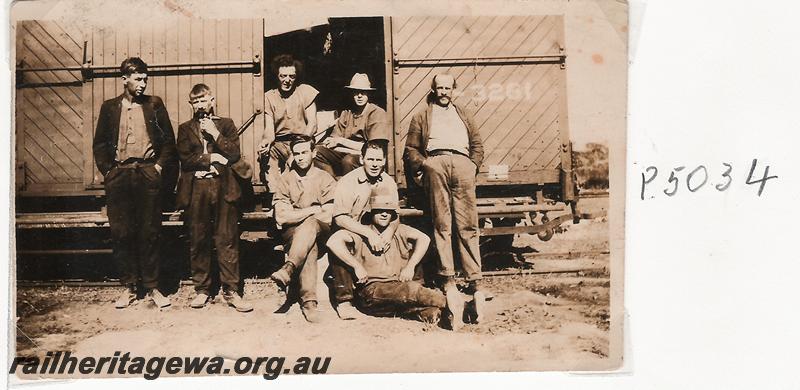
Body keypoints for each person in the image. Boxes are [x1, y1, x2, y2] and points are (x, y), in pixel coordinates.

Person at [403, 73, 487, 326]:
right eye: (439, 88)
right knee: (442, 224)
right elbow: (411, 149)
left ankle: (475, 280)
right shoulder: (422, 115)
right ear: (433, 90)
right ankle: (448, 278)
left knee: (468, 225)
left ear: (453, 90)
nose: (443, 92)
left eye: (447, 88)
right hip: (436, 163)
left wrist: (472, 165)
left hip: (462, 164)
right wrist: (425, 165)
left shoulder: (464, 114)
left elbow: (477, 144)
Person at [93, 57, 176, 309]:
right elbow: (99, 144)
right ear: (124, 80)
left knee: (149, 233)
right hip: (120, 176)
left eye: (145, 79)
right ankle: (128, 287)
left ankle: (152, 287)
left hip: (147, 173)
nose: (142, 84)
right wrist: (109, 172)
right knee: (122, 233)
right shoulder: (109, 107)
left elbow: (168, 142)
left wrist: (157, 168)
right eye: (138, 79)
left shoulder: (154, 104)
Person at [327, 185, 464, 329]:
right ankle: (456, 304)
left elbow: (424, 239)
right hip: (371, 292)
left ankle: (447, 316)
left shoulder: (399, 230)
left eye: (388, 211)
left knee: (423, 308)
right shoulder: (363, 232)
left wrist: (410, 266)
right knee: (410, 290)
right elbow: (333, 241)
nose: (384, 214)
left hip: (396, 290)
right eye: (379, 210)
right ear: (371, 212)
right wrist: (356, 266)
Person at [175, 83, 252, 313]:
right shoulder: (185, 128)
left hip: (223, 186)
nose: (200, 105)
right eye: (195, 102)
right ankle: (202, 289)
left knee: (227, 239)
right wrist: (212, 158)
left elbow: (234, 153)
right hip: (197, 188)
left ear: (212, 101)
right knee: (199, 239)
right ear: (191, 104)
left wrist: (215, 134)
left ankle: (231, 290)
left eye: (203, 100)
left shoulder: (226, 124)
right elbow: (185, 159)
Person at [269, 135, 337, 323]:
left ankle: (289, 268)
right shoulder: (286, 180)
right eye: (296, 153)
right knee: (309, 242)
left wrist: (300, 214)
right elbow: (282, 217)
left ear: (313, 153)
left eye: (304, 152)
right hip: (293, 233)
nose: (300, 157)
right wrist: (313, 210)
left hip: (322, 232)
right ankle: (309, 303)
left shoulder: (324, 178)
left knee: (311, 225)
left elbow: (329, 214)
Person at [329, 139, 399, 319]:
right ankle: (344, 301)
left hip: (379, 230)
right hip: (355, 229)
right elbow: (340, 218)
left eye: (378, 160)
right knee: (339, 240)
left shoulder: (389, 182)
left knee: (404, 236)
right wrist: (367, 233)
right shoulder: (348, 181)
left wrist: (389, 233)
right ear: (362, 159)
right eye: (370, 159)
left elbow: (395, 215)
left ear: (384, 161)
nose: (374, 164)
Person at [258, 54, 319, 192]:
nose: (287, 80)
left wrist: (298, 146)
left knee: (300, 159)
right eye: (283, 76)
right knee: (268, 153)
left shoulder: (305, 91)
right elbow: (269, 130)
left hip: (303, 140)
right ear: (277, 76)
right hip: (280, 143)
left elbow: (312, 125)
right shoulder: (268, 97)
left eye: (291, 76)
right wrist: (266, 142)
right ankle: (276, 195)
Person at [314, 73, 390, 177]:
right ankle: (331, 183)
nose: (359, 96)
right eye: (356, 92)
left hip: (367, 159)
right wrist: (343, 146)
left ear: (369, 94)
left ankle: (350, 186)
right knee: (317, 152)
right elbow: (332, 141)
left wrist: (342, 141)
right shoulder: (347, 112)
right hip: (345, 153)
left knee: (348, 160)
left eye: (363, 92)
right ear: (351, 93)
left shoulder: (377, 113)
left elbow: (373, 149)